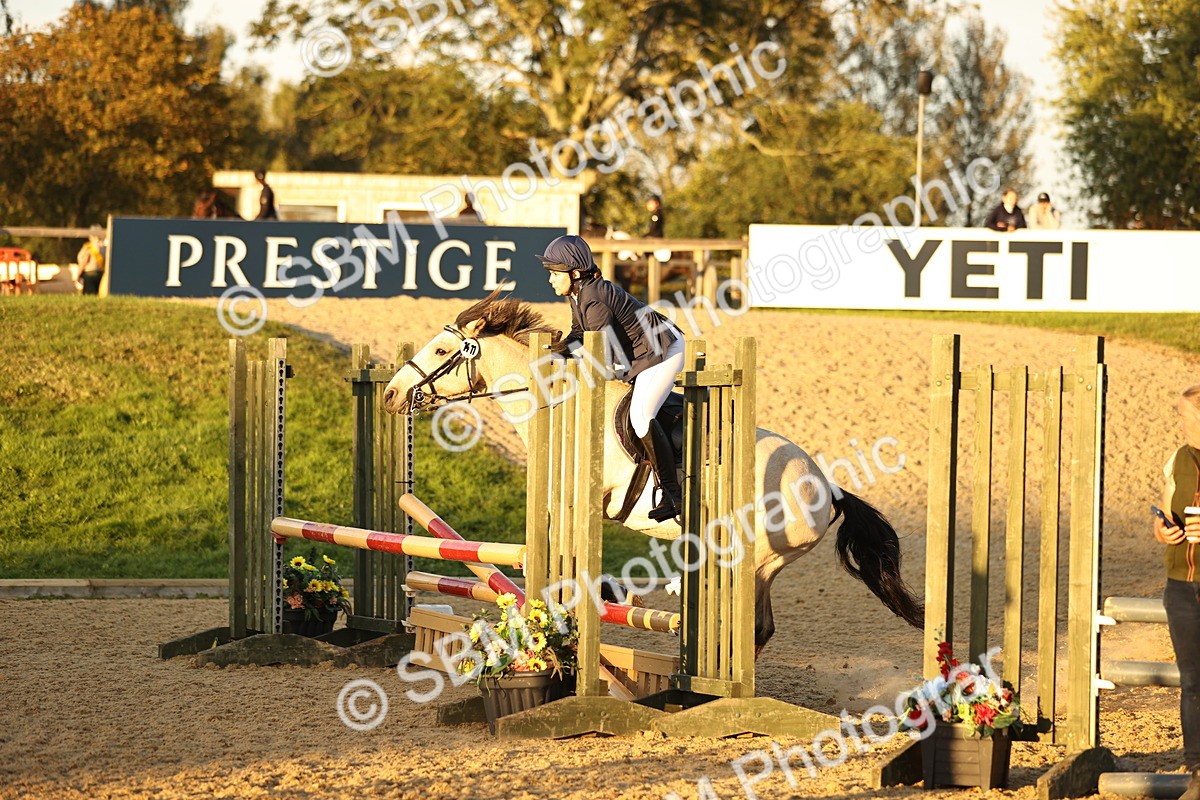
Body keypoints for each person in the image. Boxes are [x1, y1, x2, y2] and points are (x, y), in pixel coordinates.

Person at [537, 234, 685, 522]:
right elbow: (580, 336)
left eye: (555, 273)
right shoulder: (579, 293)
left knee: (641, 416)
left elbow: (600, 354)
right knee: (643, 406)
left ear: (574, 272)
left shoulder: (593, 296)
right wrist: (553, 357)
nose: (551, 280)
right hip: (642, 354)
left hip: (663, 349)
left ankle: (672, 493)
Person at [1153, 385, 1200, 800]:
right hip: (1181, 588)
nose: (1179, 420)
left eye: (1183, 414)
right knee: (1193, 683)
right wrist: (1164, 529)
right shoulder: (1176, 459)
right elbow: (1164, 510)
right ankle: (1198, 771)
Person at [77, 229, 107, 295]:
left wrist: (79, 274)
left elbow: (85, 260)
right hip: (100, 274)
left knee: (89, 294)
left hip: (89, 274)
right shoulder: (104, 248)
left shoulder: (89, 247)